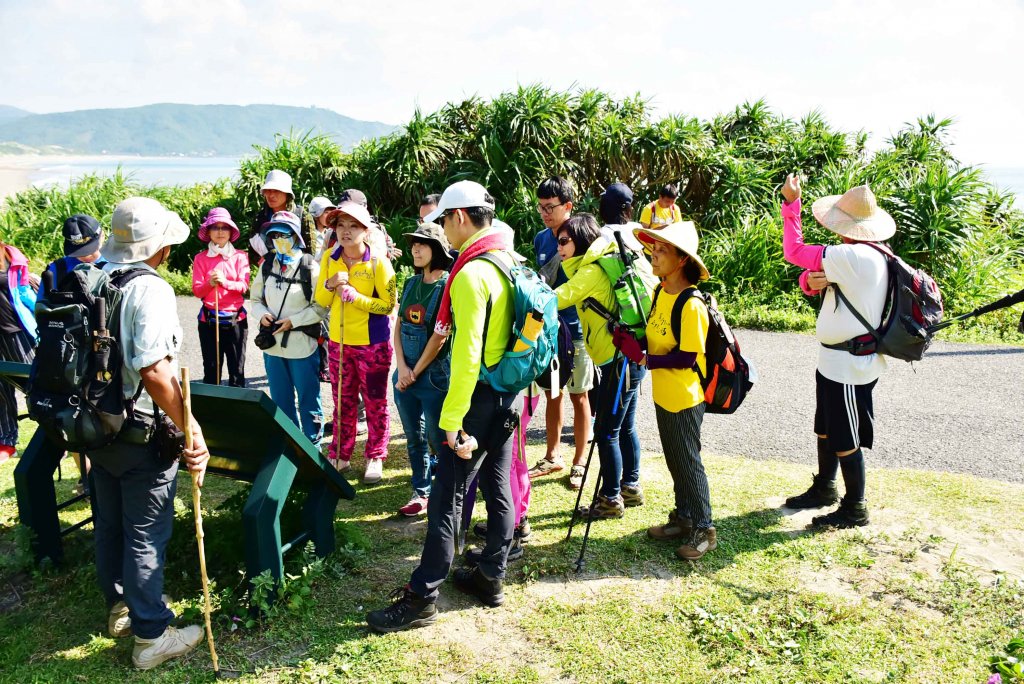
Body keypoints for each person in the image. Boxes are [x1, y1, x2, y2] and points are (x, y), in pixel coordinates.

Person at [366, 180, 518, 632]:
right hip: (505, 393)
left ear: (459, 217)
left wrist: (452, 421)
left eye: (443, 222)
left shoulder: (471, 273)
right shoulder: (506, 259)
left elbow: (467, 353)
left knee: (446, 499)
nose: (442, 233)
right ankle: (491, 575)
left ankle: (422, 597)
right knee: (497, 483)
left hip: (474, 399)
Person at [89, 197, 210, 669]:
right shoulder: (150, 289)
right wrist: (189, 426)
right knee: (145, 532)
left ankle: (121, 606)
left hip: (95, 423)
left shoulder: (95, 273)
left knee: (112, 520)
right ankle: (150, 636)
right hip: (138, 426)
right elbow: (156, 371)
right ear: (159, 245)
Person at [778, 175, 890, 528]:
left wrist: (791, 204)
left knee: (845, 435)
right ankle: (825, 488)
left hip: (848, 364)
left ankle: (855, 507)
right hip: (836, 359)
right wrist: (808, 282)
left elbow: (794, 252)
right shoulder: (869, 254)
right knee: (825, 426)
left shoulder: (852, 256)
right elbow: (812, 278)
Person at [614, 221, 717, 559]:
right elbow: (654, 335)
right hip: (663, 395)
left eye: (662, 251)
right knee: (675, 461)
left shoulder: (691, 304)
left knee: (688, 462)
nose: (653, 255)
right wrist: (633, 342)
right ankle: (684, 517)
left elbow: (688, 356)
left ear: (682, 260)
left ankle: (705, 529)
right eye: (653, 249)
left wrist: (644, 358)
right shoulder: (661, 291)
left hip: (685, 398)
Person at [548, 214, 646, 519]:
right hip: (629, 357)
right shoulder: (600, 263)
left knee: (606, 432)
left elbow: (558, 298)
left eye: (564, 241)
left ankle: (611, 499)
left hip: (620, 362)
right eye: (558, 241)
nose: (559, 247)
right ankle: (630, 486)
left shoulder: (590, 271)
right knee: (623, 427)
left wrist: (525, 295)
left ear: (581, 240)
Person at [315, 201, 397, 482]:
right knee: (343, 401)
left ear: (365, 231)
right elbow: (322, 301)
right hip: (338, 342)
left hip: (372, 344)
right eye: (340, 225)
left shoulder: (379, 262)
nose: (345, 232)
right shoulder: (329, 258)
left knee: (375, 402)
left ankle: (375, 455)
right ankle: (341, 453)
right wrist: (330, 285)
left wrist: (355, 297)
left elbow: (388, 305)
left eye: (353, 226)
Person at [527, 177, 594, 490]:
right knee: (552, 392)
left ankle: (580, 461)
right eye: (540, 207)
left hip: (578, 332)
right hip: (550, 333)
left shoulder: (585, 239)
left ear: (568, 206)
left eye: (550, 207)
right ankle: (552, 455)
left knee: (580, 394)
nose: (544, 213)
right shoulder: (541, 239)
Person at [250, 211, 327, 445]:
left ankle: (313, 445)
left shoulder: (310, 267)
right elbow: (255, 300)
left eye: (284, 234)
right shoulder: (267, 267)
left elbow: (321, 307)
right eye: (274, 235)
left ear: (295, 237)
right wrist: (262, 314)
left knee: (308, 398)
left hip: (302, 345)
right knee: (281, 400)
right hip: (273, 348)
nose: (279, 240)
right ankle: (288, 445)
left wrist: (294, 321)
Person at [392, 222, 454, 516]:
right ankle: (421, 490)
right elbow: (398, 327)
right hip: (405, 375)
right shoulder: (410, 283)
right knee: (412, 436)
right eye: (413, 243)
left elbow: (439, 337)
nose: (415, 248)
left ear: (437, 249)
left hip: (433, 377)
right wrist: (402, 367)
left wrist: (414, 372)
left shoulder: (448, 287)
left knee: (436, 437)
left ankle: (446, 492)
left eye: (422, 243)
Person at [44, 214, 106, 486]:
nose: (87, 255)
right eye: (79, 251)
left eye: (89, 248)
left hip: (97, 360)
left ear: (101, 237)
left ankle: (99, 476)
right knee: (72, 420)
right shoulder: (55, 270)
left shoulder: (110, 265)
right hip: (69, 363)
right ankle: (88, 475)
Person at [191, 208, 250, 387]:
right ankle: (212, 411)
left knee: (237, 370)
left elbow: (243, 286)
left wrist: (225, 282)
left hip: (236, 319)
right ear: (208, 232)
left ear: (231, 231)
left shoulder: (241, 256)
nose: (220, 232)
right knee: (211, 369)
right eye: (215, 227)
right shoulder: (200, 258)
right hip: (209, 320)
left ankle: (236, 410)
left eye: (224, 227)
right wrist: (210, 283)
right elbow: (197, 291)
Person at [0, 240, 37, 464]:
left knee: (33, 383)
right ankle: (6, 440)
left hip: (16, 330)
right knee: (1, 390)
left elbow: (23, 289)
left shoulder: (8, 255)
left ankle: (54, 433)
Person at [249, 170, 314, 261]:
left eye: (276, 191)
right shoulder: (260, 218)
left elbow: (310, 252)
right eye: (268, 191)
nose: (271, 195)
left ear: (287, 194)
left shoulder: (302, 216)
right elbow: (252, 252)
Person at [46, 214, 107, 284]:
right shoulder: (57, 269)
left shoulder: (117, 264)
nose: (85, 256)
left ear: (102, 236)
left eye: (90, 251)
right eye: (78, 252)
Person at [309, 196, 336, 261]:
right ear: (316, 216)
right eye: (326, 212)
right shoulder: (308, 236)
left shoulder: (332, 235)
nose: (329, 216)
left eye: (331, 212)